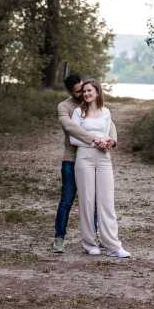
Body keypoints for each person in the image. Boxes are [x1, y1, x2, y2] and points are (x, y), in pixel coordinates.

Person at [53, 71, 116, 254]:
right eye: (78, 91)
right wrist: (94, 139)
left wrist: (112, 140)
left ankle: (96, 237)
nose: (82, 93)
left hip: (94, 156)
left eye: (84, 89)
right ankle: (59, 237)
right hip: (71, 158)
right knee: (67, 199)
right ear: (70, 92)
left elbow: (110, 125)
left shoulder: (93, 104)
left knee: (95, 199)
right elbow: (70, 128)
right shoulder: (64, 107)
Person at [69, 78, 130, 259]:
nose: (86, 94)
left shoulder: (106, 112)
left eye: (90, 91)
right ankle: (89, 244)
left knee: (106, 202)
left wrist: (111, 141)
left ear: (97, 92)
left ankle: (113, 246)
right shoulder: (78, 113)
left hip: (104, 158)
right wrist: (95, 140)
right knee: (87, 201)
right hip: (84, 157)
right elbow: (73, 138)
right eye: (84, 91)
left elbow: (111, 134)